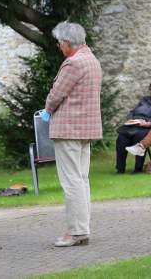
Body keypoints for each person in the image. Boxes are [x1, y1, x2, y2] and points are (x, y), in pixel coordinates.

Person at [44, 22, 102, 247]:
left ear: (68, 44)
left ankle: (76, 231)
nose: (59, 46)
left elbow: (56, 94)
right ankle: (82, 229)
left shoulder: (73, 63)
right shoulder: (92, 60)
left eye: (60, 43)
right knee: (81, 180)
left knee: (71, 182)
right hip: (85, 128)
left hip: (68, 128)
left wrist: (48, 110)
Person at [115, 81, 151, 174]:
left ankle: (138, 168)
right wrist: (130, 119)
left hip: (150, 128)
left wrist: (149, 123)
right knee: (121, 138)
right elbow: (132, 111)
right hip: (135, 124)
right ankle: (120, 169)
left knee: (139, 136)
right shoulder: (144, 100)